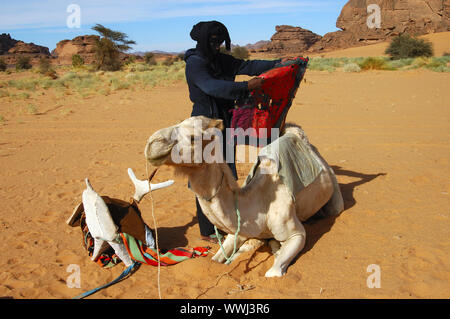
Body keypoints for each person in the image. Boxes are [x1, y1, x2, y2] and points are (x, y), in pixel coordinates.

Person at [184, 20, 283, 243]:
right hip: (204, 126)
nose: (217, 45)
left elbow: (247, 67)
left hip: (226, 123)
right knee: (204, 177)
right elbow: (211, 86)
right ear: (202, 41)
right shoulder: (195, 63)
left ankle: (225, 220)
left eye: (220, 41)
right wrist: (246, 87)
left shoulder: (221, 60)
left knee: (226, 174)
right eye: (213, 41)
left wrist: (279, 63)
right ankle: (207, 229)